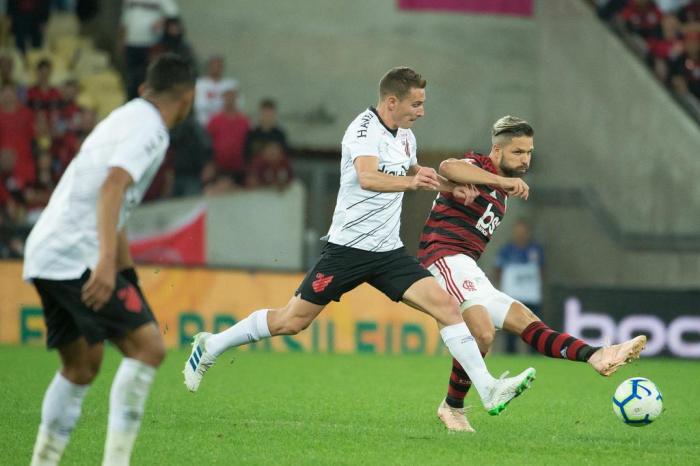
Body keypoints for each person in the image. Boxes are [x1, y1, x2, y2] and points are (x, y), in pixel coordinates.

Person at [183, 67, 536, 418]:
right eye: (416, 103)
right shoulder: (363, 130)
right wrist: (413, 184)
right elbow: (368, 177)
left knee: (446, 307)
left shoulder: (406, 136)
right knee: (291, 321)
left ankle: (487, 389)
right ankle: (212, 345)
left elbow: (410, 171)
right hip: (347, 250)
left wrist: (447, 186)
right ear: (392, 101)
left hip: (388, 252)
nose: (422, 111)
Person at [416, 115, 647, 432]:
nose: (525, 160)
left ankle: (598, 356)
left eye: (529, 152)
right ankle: (462, 402)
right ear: (497, 151)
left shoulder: (500, 192)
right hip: (442, 257)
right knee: (483, 332)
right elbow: (448, 168)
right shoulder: (479, 166)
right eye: (518, 152)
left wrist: (501, 185)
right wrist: (500, 180)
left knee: (526, 322)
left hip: (468, 266)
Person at [23, 53, 195, 466]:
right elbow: (113, 187)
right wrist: (103, 264)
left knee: (82, 366)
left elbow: (115, 202)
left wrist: (124, 270)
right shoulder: (152, 129)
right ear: (188, 98)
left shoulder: (125, 117)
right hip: (76, 256)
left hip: (47, 251)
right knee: (149, 348)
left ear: (144, 89)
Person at [494, 218, 544, 354]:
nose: (520, 234)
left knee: (534, 331)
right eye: (518, 231)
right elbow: (498, 270)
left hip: (531, 297)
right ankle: (511, 358)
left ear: (528, 233)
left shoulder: (536, 250)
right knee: (511, 334)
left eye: (523, 231)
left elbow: (542, 270)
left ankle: (535, 360)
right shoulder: (506, 250)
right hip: (513, 298)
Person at [194, 55, 238, 126]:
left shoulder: (229, 85)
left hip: (224, 126)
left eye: (219, 66)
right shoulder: (200, 84)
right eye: (214, 65)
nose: (216, 68)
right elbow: (199, 105)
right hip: (204, 124)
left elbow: (237, 105)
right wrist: (221, 103)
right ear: (209, 67)